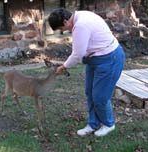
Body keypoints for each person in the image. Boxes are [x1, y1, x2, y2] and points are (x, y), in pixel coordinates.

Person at [48, 8, 125, 137]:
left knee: (100, 97)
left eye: (61, 28)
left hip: (110, 59)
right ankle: (93, 123)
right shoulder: (80, 15)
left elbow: (78, 55)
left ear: (66, 21)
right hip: (94, 59)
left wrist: (63, 67)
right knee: (90, 93)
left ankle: (108, 124)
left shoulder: (81, 25)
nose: (63, 31)